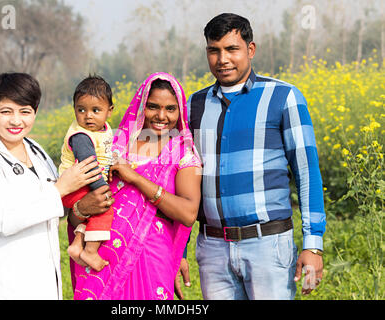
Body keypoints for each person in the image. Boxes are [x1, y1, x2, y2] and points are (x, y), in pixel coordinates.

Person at [184, 13, 326, 300]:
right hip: (212, 248)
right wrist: (178, 250)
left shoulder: (283, 97)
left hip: (268, 245)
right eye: (214, 50)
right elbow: (183, 181)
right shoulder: (193, 105)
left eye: (231, 49)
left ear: (250, 50)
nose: (222, 59)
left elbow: (307, 172)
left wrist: (312, 245)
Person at [0, 72, 101, 300]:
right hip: (0, 284)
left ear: (35, 112)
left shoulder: (37, 151)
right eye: (6, 111)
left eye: (25, 111)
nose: (16, 121)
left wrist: (81, 206)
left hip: (42, 280)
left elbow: (54, 207)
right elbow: (3, 220)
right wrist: (60, 189)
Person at [66, 72, 202, 300]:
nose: (161, 115)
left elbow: (188, 214)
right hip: (100, 259)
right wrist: (80, 210)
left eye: (170, 108)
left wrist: (136, 178)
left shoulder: (183, 154)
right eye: (153, 107)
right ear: (141, 106)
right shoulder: (117, 144)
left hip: (151, 260)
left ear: (180, 111)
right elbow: (82, 202)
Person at [59, 76, 114, 272]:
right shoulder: (81, 136)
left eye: (95, 110)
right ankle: (90, 251)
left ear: (109, 111)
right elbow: (89, 164)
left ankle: (77, 244)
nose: (88, 116)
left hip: (85, 183)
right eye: (81, 110)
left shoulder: (104, 131)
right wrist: (102, 189)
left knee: (92, 215)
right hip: (75, 185)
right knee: (104, 208)